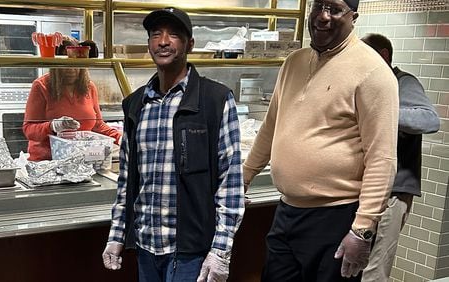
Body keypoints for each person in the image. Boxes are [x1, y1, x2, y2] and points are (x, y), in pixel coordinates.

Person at [243, 0, 399, 280]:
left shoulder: (373, 71)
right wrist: (242, 177)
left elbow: (382, 158)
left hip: (337, 218)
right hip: (287, 210)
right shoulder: (294, 62)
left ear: (354, 17)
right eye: (318, 6)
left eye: (335, 9)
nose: (323, 16)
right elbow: (270, 128)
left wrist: (362, 229)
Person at [101, 7, 245, 282]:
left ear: (189, 43)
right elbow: (127, 179)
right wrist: (117, 235)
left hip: (191, 251)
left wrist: (220, 250)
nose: (164, 41)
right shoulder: (136, 104)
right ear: (149, 44)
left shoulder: (215, 100)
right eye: (156, 34)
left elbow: (231, 182)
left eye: (174, 35)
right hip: (146, 247)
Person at [360, 33, 440, 281]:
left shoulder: (403, 82)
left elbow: (429, 120)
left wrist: (380, 111)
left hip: (392, 193)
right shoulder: (367, 84)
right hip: (365, 189)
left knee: (374, 269)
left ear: (383, 55)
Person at [23, 36, 121, 161]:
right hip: (48, 162)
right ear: (56, 64)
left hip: (84, 160)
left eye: (75, 64)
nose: (71, 70)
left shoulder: (89, 87)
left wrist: (120, 138)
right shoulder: (41, 86)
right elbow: (29, 130)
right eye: (65, 64)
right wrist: (53, 126)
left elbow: (97, 125)